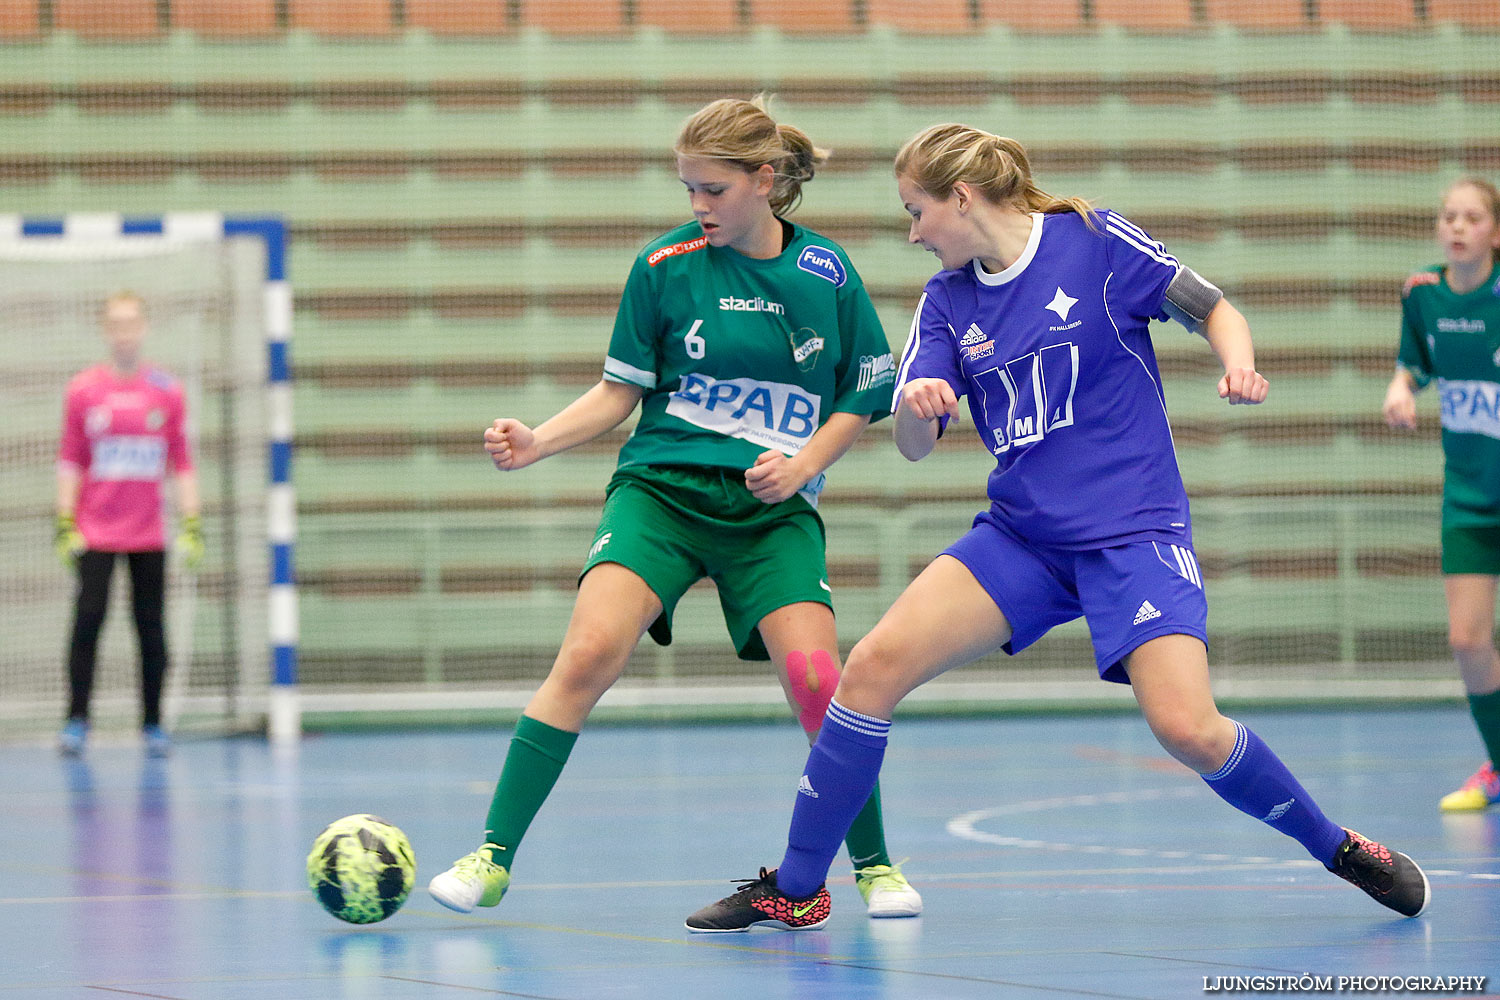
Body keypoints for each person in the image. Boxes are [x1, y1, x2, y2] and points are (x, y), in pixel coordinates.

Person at [686, 122, 1431, 932]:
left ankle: (1338, 847)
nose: (912, 232)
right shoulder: (946, 302)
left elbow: (1212, 306)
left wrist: (1236, 361)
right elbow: (910, 446)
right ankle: (795, 887)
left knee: (1189, 727)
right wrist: (916, 408)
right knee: (868, 670)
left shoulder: (1096, 241)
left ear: (960, 199)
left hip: (1132, 535)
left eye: (916, 211)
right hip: (1022, 541)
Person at [426, 96, 922, 921]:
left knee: (819, 680)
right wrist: (538, 440)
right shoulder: (663, 266)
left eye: (713, 189)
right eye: (688, 188)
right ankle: (491, 857)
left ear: (764, 181)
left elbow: (863, 391)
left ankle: (874, 866)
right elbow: (622, 389)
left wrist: (801, 467)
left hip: (771, 513)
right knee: (587, 653)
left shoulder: (825, 274)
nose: (697, 206)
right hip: (661, 493)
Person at [1382, 177, 1500, 812]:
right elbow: (1416, 361)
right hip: (1470, 497)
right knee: (1467, 639)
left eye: (1472, 217)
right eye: (1449, 216)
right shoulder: (1422, 293)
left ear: (1495, 232)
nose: (1457, 227)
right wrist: (1402, 386)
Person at [55, 291, 203, 758]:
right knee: (88, 624)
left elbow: (182, 463)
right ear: (105, 329)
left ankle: (154, 724)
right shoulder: (83, 390)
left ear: (142, 327)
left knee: (151, 628)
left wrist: (192, 522)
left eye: (131, 322)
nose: (124, 331)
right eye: (115, 323)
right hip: (96, 533)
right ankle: (77, 720)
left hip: (148, 535)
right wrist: (64, 520)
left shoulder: (166, 390)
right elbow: (70, 460)